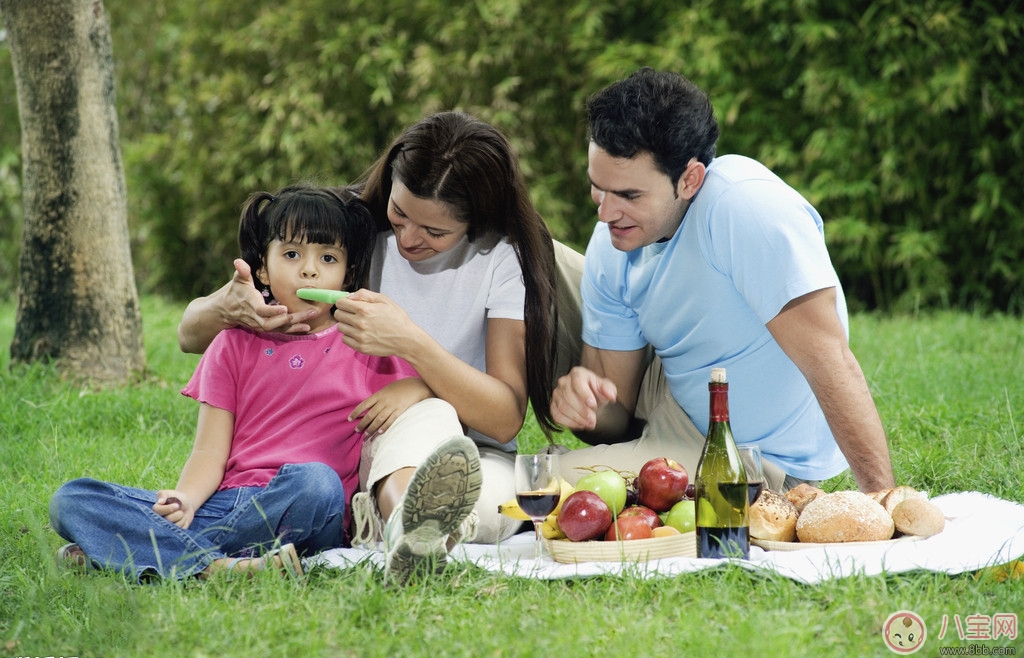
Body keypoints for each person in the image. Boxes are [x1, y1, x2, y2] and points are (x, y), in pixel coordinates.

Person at [176, 112, 583, 580]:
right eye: (400, 213)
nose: (408, 238)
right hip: (362, 444)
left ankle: (410, 530)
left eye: (434, 232)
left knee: (478, 487)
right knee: (416, 433)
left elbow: (505, 416)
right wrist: (227, 306)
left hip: (474, 449)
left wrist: (412, 350)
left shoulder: (502, 258)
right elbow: (189, 334)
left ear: (478, 221)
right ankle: (403, 523)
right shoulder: (348, 231)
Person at [49, 183, 481, 583]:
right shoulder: (231, 343)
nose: (309, 271)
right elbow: (208, 452)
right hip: (230, 503)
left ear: (347, 276)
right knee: (71, 500)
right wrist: (186, 499)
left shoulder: (366, 343)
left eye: (327, 259)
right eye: (292, 254)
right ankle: (217, 567)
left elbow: (439, 384)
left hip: (308, 507)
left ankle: (133, 549)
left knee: (318, 482)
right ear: (263, 269)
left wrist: (415, 387)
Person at [552, 68, 895, 495]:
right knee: (532, 250)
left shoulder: (746, 209)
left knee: (540, 487)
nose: (605, 213)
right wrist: (589, 407)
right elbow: (613, 418)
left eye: (628, 195)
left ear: (689, 180)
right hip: (675, 393)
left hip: (749, 456)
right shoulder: (613, 240)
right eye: (598, 188)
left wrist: (881, 499)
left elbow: (832, 359)